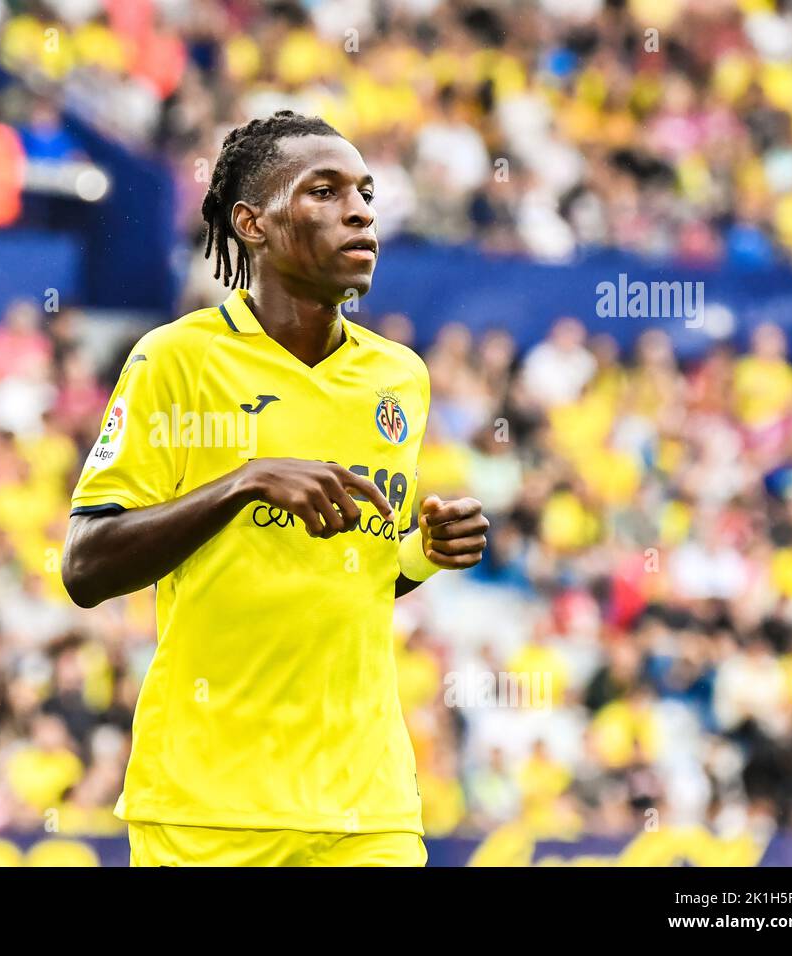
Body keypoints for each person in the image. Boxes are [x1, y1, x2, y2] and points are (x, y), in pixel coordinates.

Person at [62, 111, 489, 867]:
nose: (359, 209)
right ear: (251, 222)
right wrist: (241, 485)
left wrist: (420, 553)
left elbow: (352, 570)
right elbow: (87, 567)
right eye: (324, 191)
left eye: (365, 191)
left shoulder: (399, 377)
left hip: (367, 804)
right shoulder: (176, 360)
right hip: (209, 809)